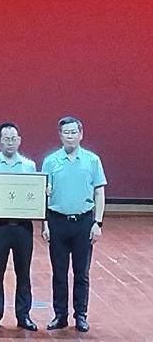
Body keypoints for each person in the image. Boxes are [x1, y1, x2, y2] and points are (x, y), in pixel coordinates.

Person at [41, 116, 106, 333]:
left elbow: (99, 192)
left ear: (81, 134)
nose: (70, 136)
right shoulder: (50, 161)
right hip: (57, 222)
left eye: (73, 132)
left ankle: (81, 315)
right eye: (66, 132)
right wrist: (45, 223)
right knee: (59, 273)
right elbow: (43, 194)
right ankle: (60, 315)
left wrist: (98, 222)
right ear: (60, 135)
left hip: (83, 223)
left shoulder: (92, 160)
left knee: (82, 273)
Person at [0, 122, 38, 331]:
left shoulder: (29, 166)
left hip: (23, 227)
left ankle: (24, 315)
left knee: (24, 272)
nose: (10, 142)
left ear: (19, 140)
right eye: (6, 139)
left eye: (13, 139)